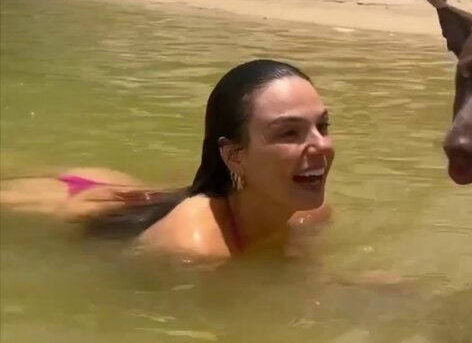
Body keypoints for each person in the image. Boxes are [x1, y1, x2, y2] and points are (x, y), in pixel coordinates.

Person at [0, 59, 334, 261]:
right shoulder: (195, 247)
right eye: (289, 132)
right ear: (234, 156)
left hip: (125, 192)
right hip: (74, 205)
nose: (321, 145)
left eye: (322, 126)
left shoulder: (309, 212)